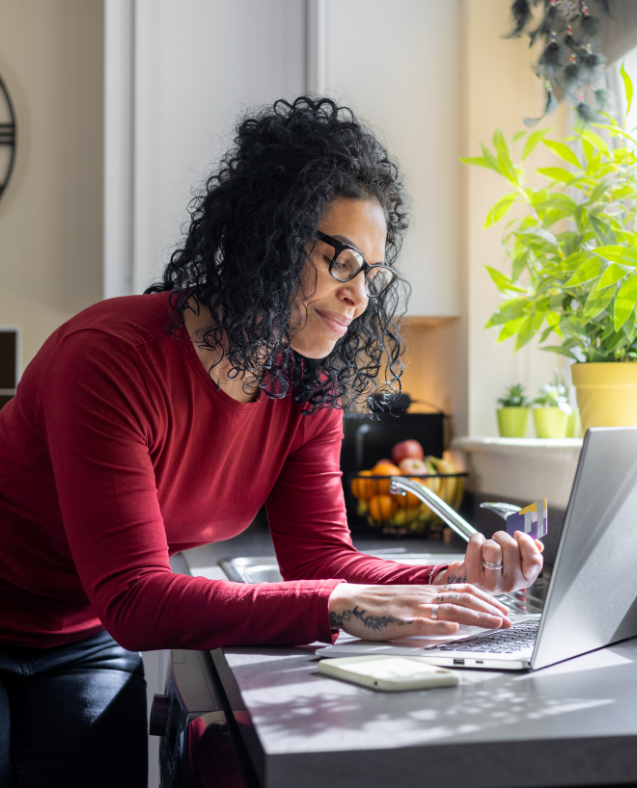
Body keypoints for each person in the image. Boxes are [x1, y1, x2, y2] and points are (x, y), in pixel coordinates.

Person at [0, 97, 543, 787]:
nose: (360, 297)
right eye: (343, 260)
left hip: (80, 637)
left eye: (371, 274)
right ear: (271, 233)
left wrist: (451, 583)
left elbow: (320, 558)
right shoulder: (109, 357)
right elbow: (137, 595)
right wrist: (337, 607)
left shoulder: (305, 388)